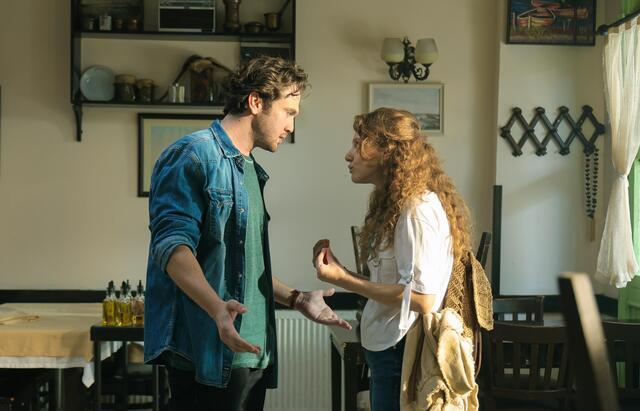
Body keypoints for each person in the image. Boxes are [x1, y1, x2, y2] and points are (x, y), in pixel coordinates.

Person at [144, 56, 351, 411]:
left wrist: (297, 299)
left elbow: (243, 264)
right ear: (256, 102)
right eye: (288, 113)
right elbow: (172, 249)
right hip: (207, 350)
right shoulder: (193, 155)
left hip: (253, 352)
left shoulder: (250, 168)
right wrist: (217, 310)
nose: (291, 126)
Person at [312, 107, 473, 411]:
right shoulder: (401, 205)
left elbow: (422, 299)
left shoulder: (415, 210)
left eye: (358, 143)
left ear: (386, 151)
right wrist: (342, 273)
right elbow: (399, 286)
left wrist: (344, 280)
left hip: (400, 352)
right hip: (390, 351)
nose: (349, 155)